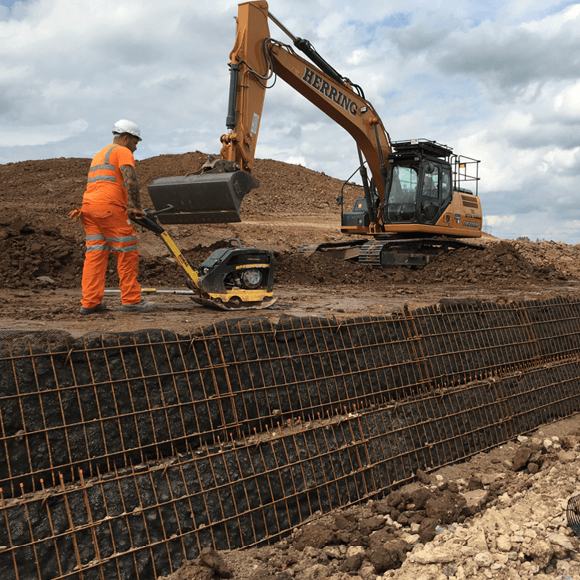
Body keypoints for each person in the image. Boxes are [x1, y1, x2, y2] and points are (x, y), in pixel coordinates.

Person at [78, 119, 156, 315]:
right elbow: (130, 177)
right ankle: (131, 300)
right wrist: (137, 207)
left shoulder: (99, 154)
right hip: (109, 209)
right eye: (135, 142)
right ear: (126, 138)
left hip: (88, 209)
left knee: (95, 256)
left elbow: (104, 185)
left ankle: (90, 302)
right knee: (126, 252)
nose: (136, 148)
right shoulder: (123, 151)